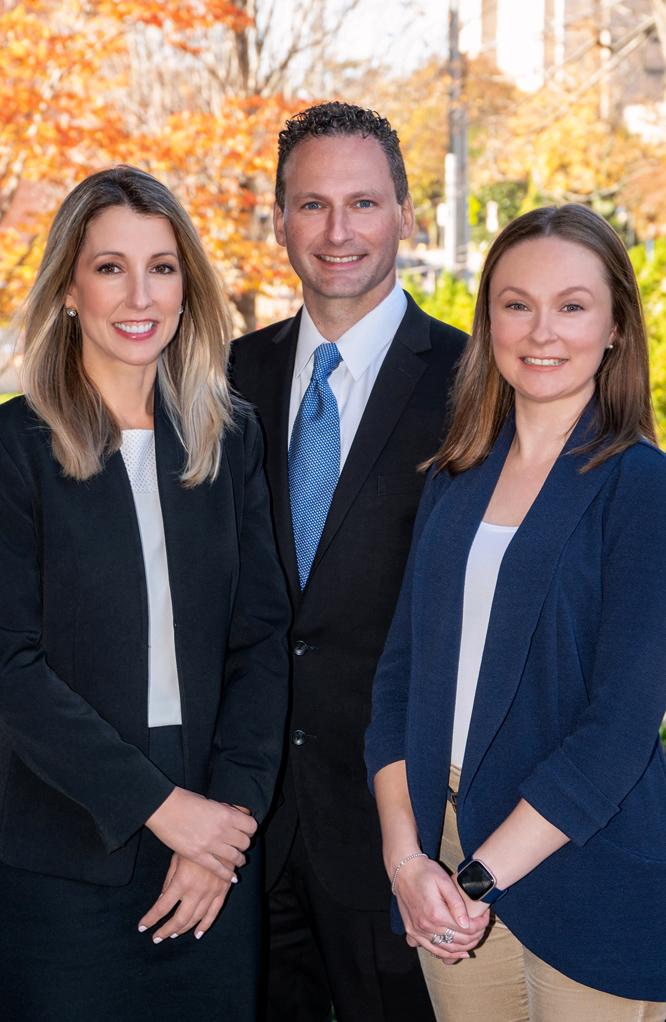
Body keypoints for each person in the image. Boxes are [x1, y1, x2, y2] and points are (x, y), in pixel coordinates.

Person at [0, 165, 290, 1022]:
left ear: (187, 287)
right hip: (63, 854)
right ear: (68, 289)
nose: (140, 293)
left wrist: (223, 826)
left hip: (212, 847)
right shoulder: (15, 446)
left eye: (162, 267)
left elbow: (261, 642)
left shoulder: (226, 436)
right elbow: (10, 666)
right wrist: (164, 811)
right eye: (110, 266)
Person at [365, 203, 666, 1021]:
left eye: (572, 305)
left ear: (613, 329)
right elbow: (399, 683)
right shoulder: (455, 476)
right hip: (445, 846)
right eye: (516, 303)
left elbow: (621, 729)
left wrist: (475, 879)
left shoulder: (641, 486)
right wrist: (407, 860)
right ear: (489, 317)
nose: (542, 331)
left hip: (582, 856)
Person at [232, 101, 465, 1022]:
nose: (338, 232)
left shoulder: (477, 381)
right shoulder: (223, 378)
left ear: (407, 212)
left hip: (401, 834)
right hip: (245, 833)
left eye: (364, 203)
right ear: (279, 218)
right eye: (313, 204)